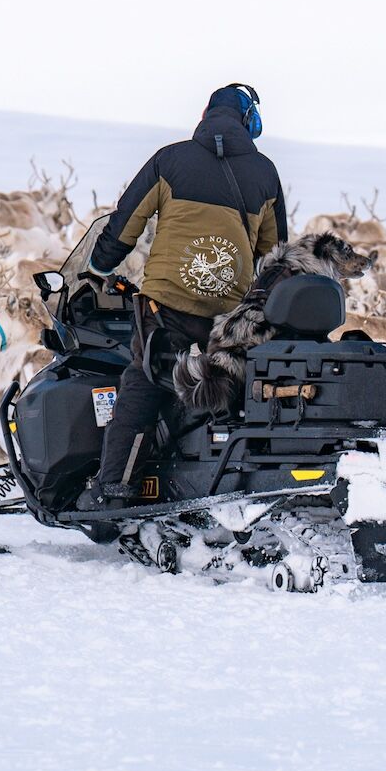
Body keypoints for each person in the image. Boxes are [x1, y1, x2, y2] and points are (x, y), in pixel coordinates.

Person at [78, 83, 289, 513]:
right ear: (249, 121)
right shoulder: (265, 173)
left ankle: (113, 490)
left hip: (166, 307)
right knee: (219, 387)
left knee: (143, 385)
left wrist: (98, 268)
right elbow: (276, 253)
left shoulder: (169, 160)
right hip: (227, 314)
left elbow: (124, 223)